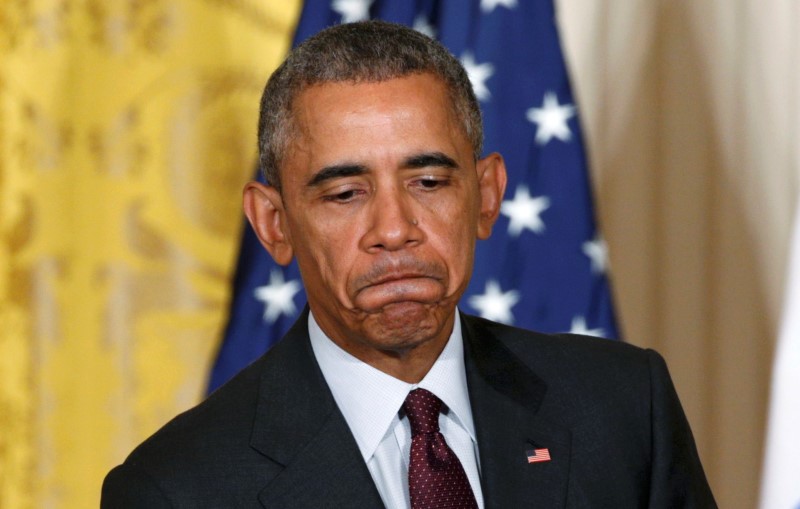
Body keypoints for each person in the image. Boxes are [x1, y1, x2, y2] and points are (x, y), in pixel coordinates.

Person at [102, 20, 716, 508]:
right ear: (274, 223)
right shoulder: (177, 489)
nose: (394, 230)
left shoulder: (625, 407)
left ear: (487, 195)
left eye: (427, 181)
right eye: (344, 194)